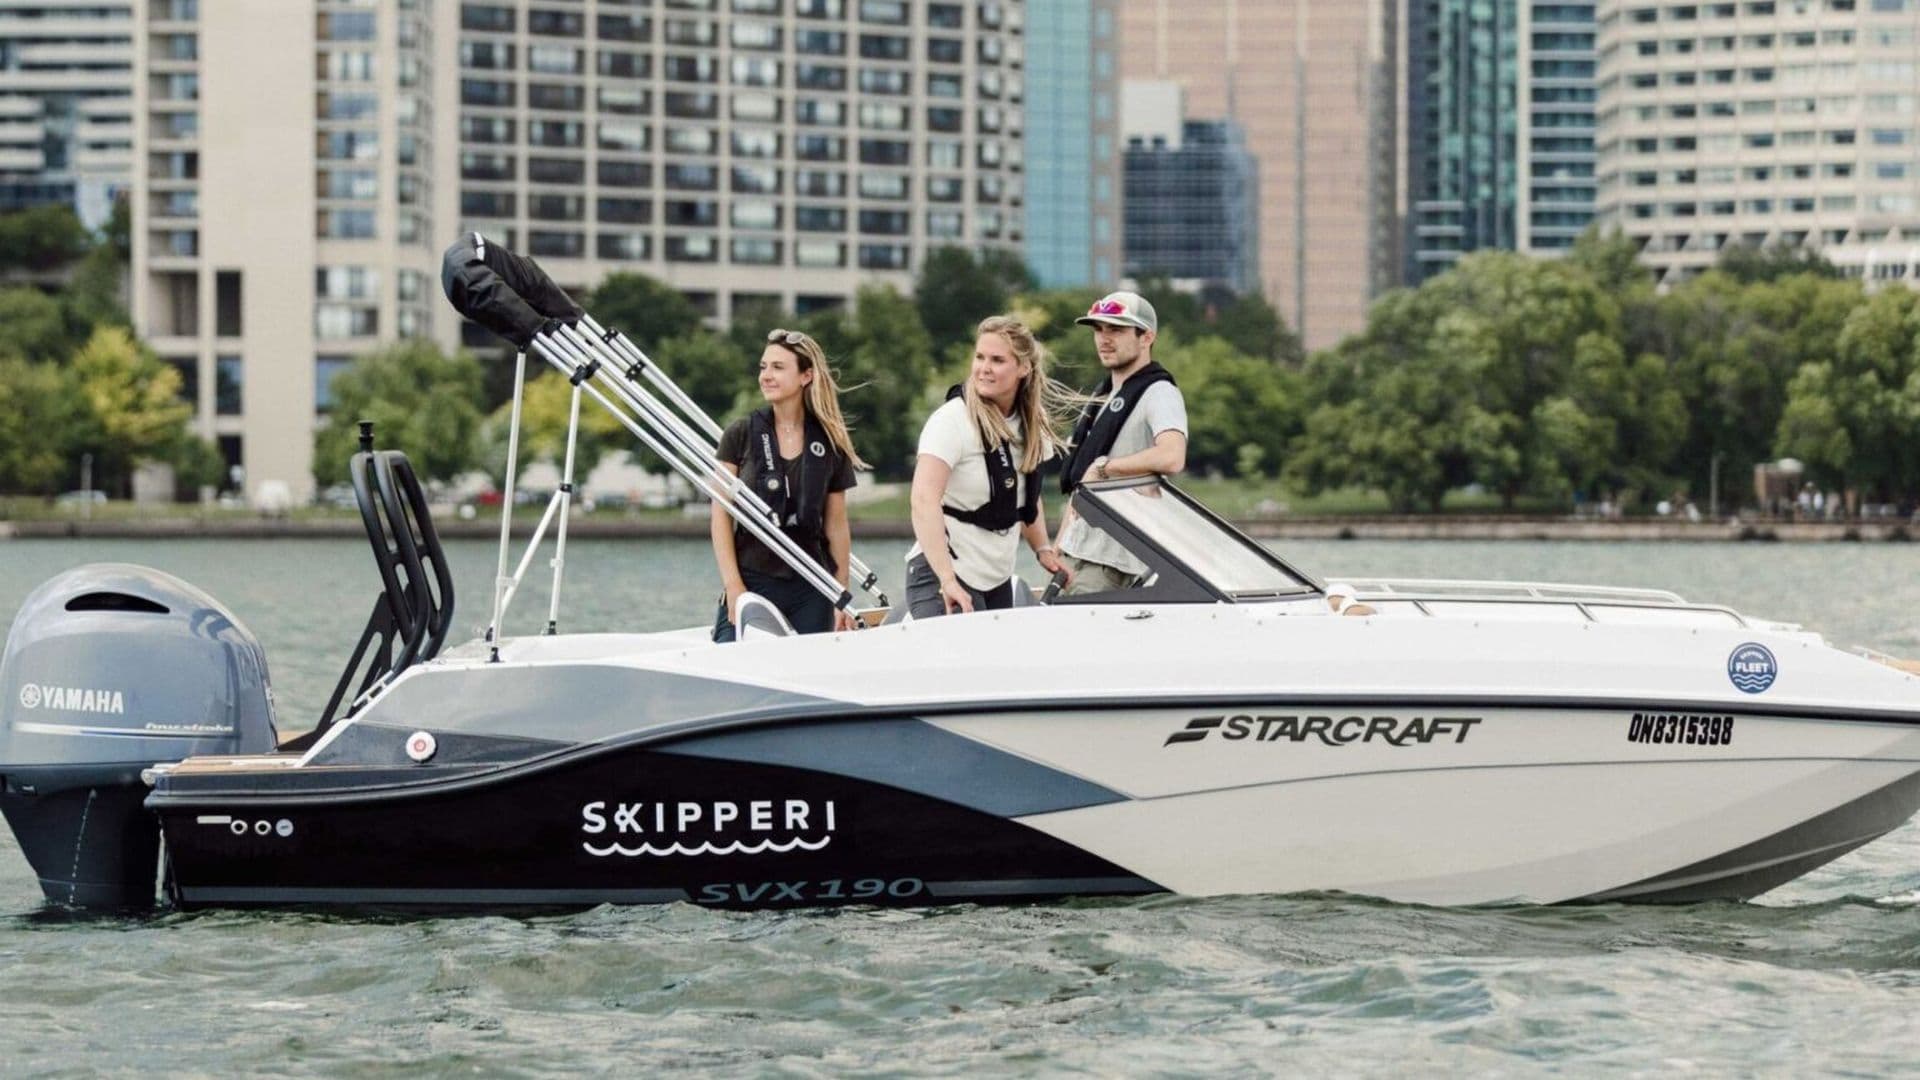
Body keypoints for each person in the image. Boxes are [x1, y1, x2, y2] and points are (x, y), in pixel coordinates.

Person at [906, 316, 1072, 617]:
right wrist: (947, 580)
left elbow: (1026, 495)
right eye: (980, 357)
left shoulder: (1033, 422)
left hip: (996, 579)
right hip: (944, 575)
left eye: (997, 360)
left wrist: (1043, 549)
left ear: (1024, 367)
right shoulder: (951, 421)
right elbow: (922, 500)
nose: (984, 368)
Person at [709, 328, 865, 641]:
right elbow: (720, 515)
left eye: (778, 368)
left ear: (806, 376)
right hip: (752, 580)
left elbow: (836, 525)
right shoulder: (740, 433)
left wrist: (841, 594)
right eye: (763, 367)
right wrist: (733, 586)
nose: (766, 376)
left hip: (812, 586)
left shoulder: (830, 442)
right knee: (729, 656)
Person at [1053, 290, 1188, 595]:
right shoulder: (1103, 396)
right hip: (1076, 553)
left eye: (1116, 329)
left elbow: (1172, 455)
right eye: (1098, 329)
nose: (1104, 339)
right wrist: (1059, 546)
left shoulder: (1159, 391)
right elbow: (1082, 485)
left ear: (1146, 337)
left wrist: (1106, 467)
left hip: (1113, 562)